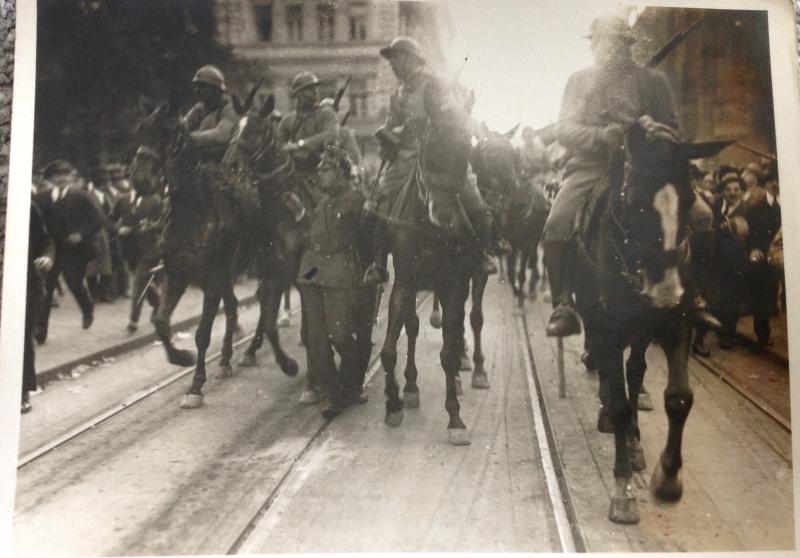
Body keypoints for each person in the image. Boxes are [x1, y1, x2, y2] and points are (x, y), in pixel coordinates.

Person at [542, 14, 714, 337]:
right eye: (603, 43)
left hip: (646, 167)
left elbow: (673, 128)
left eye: (616, 44)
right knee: (557, 222)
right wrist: (601, 135)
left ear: (626, 46)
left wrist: (651, 128)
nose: (608, 50)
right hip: (594, 166)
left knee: (703, 215)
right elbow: (563, 129)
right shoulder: (579, 81)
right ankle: (563, 303)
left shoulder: (653, 82)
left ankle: (698, 295)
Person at [363, 35, 498, 285]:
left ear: (411, 60)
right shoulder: (397, 94)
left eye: (396, 59)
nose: (392, 65)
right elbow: (393, 122)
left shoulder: (436, 84)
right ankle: (378, 264)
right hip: (407, 157)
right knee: (375, 198)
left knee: (473, 199)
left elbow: (455, 113)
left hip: (440, 154)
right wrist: (386, 132)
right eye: (391, 61)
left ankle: (484, 253)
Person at [297, 146, 375, 418]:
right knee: (315, 338)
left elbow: (370, 238)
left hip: (342, 272)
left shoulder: (357, 200)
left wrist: (371, 270)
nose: (320, 175)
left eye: (326, 170)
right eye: (319, 170)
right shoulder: (323, 202)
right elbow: (316, 233)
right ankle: (334, 393)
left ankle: (351, 385)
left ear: (342, 173)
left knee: (342, 337)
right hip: (313, 270)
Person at [34, 159, 104, 342]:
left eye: (66, 174)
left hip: (73, 250)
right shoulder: (41, 197)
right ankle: (41, 332)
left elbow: (98, 219)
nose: (63, 178)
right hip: (50, 251)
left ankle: (87, 308)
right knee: (46, 289)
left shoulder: (80, 195)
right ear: (50, 178)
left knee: (74, 283)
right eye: (58, 175)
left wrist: (81, 234)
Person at [695, 169, 750, 353]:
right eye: (728, 189)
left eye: (737, 189)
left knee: (731, 301)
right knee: (709, 300)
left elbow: (753, 236)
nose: (733, 193)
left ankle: (727, 334)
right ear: (723, 192)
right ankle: (699, 340)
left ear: (742, 191)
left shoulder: (748, 209)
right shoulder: (714, 206)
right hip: (713, 262)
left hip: (735, 264)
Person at [182, 64, 239, 237]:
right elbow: (182, 127)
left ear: (216, 90)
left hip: (225, 167)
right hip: (198, 167)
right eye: (197, 86)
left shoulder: (229, 108)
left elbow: (222, 135)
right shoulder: (200, 108)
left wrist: (189, 138)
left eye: (203, 87)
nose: (198, 91)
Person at [276, 71, 340, 212]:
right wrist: (285, 149)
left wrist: (300, 145)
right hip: (294, 175)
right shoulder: (287, 120)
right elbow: (278, 146)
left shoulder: (326, 114)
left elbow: (331, 135)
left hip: (321, 173)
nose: (315, 92)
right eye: (309, 89)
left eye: (315, 88)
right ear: (298, 94)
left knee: (326, 210)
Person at [22, 200, 56, 413]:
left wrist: (46, 256)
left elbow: (46, 240)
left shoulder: (25, 204)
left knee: (21, 337)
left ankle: (22, 392)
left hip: (24, 281)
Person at [746, 163, 781, 348]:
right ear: (766, 183)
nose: (775, 184)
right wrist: (753, 249)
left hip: (783, 255)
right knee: (763, 293)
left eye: (777, 180)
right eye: (772, 181)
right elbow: (750, 232)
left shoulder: (786, 203)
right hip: (764, 257)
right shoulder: (757, 207)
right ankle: (762, 333)